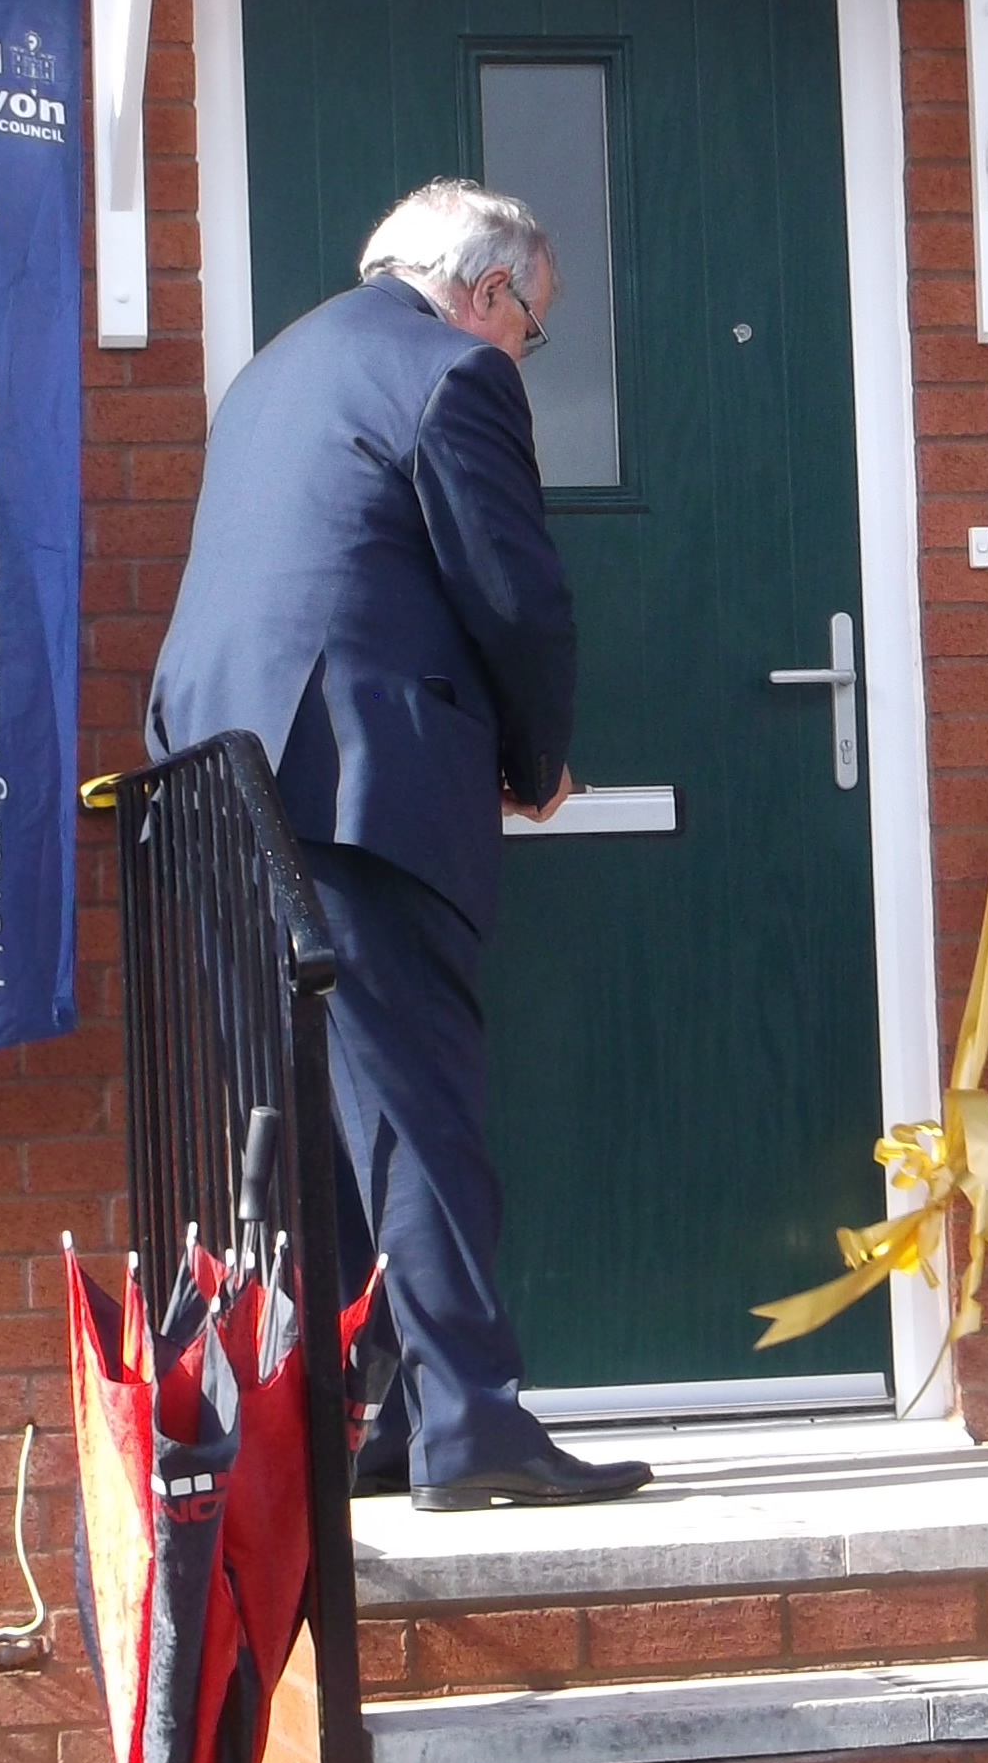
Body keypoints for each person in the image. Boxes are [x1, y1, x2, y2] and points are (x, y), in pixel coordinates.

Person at [149, 179, 651, 1511]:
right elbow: (515, 596)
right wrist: (537, 764)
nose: (519, 355)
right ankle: (474, 1422)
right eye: (529, 329)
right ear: (487, 292)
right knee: (418, 1110)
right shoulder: (449, 374)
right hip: (353, 784)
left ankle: (376, 1410)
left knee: (328, 1113)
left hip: (217, 785)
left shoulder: (273, 374)